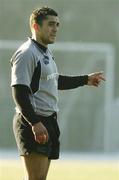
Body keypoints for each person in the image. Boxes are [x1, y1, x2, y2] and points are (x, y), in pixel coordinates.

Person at [10, 6, 105, 180]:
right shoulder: (27, 53)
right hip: (33, 121)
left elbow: (54, 81)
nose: (55, 29)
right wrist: (35, 123)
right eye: (51, 24)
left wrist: (85, 79)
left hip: (48, 121)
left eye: (57, 25)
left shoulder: (45, 52)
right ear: (36, 26)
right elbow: (19, 91)